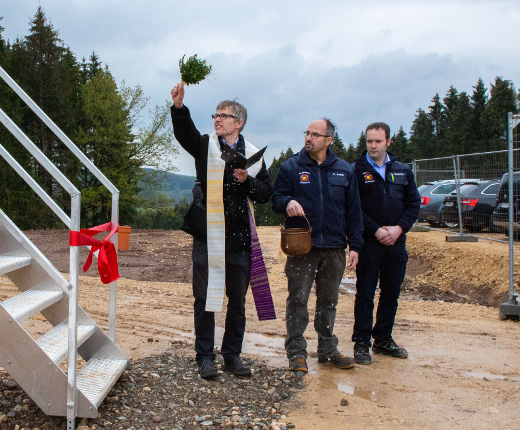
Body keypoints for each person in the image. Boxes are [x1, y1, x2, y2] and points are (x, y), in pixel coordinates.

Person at [170, 83, 273, 379]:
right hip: (207, 236)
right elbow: (184, 133)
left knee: (237, 301)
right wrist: (179, 107)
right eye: (215, 115)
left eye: (224, 116)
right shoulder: (206, 146)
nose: (217, 119)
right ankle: (204, 356)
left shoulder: (253, 156)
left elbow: (266, 192)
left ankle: (232, 355)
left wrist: (247, 182)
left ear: (238, 123)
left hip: (239, 239)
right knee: (204, 299)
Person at [272, 119, 363, 374]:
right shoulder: (291, 167)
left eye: (315, 134)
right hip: (302, 247)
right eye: (307, 133)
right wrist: (288, 200)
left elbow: (354, 212)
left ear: (328, 140)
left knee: (329, 300)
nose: (308, 138)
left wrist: (355, 245)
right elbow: (275, 199)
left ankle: (328, 350)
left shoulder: (344, 170)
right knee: (298, 299)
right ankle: (297, 353)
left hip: (334, 246)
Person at [351, 123, 420, 364]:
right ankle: (361, 343)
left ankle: (383, 338)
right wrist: (376, 230)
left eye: (378, 142)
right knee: (365, 294)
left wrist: (399, 228)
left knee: (391, 293)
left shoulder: (402, 170)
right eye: (369, 141)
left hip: (396, 243)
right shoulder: (356, 171)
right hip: (369, 242)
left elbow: (413, 204)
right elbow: (354, 207)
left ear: (388, 142)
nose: (373, 146)